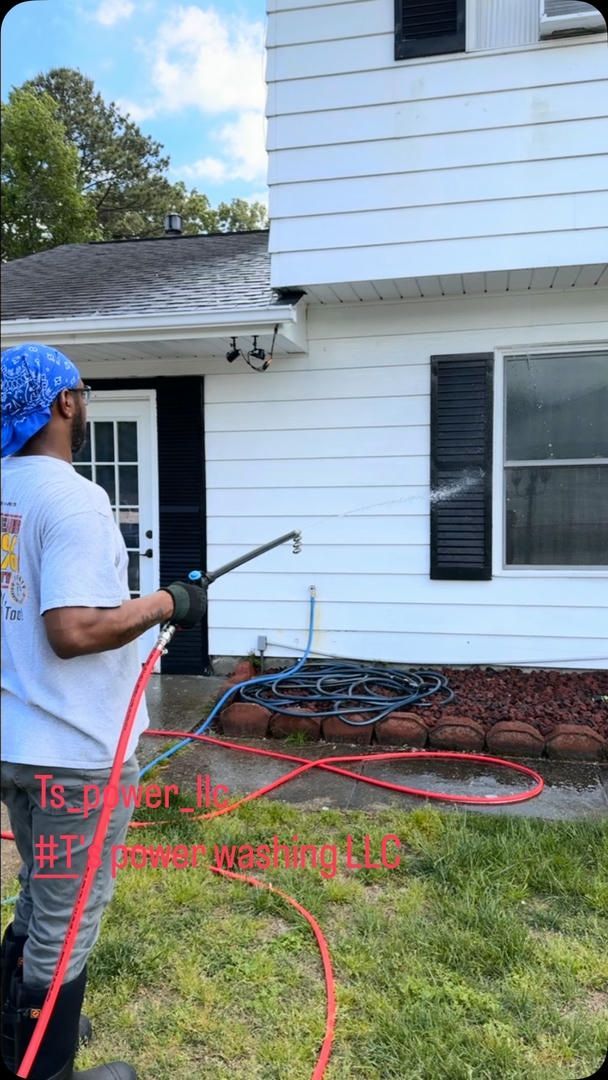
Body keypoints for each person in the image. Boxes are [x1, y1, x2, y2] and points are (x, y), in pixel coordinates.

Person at [1, 343, 206, 1080]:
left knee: (39, 890)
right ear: (63, 403)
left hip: (18, 744)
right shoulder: (74, 498)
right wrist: (165, 603)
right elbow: (74, 629)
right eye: (81, 393)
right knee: (67, 916)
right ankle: (45, 1068)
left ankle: (19, 1036)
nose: (84, 404)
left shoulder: (6, 493)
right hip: (74, 756)